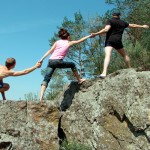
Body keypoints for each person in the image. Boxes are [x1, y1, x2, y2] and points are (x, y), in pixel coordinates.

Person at [39, 28, 91, 102]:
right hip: (58, 61)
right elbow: (80, 40)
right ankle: (79, 80)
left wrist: (41, 59)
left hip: (50, 61)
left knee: (46, 79)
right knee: (72, 64)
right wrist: (89, 36)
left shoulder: (57, 42)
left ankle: (41, 98)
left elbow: (50, 51)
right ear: (68, 37)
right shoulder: (69, 42)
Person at [91, 12, 149, 78]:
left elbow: (106, 29)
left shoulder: (110, 21)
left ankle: (104, 73)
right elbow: (133, 25)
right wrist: (142, 26)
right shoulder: (123, 22)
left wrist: (95, 34)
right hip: (118, 41)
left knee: (107, 55)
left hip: (110, 40)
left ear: (112, 15)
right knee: (125, 55)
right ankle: (130, 69)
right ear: (119, 16)